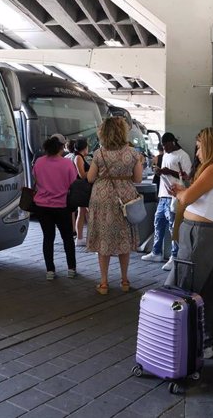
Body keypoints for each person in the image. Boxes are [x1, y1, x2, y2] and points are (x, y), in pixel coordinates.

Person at [167, 127, 213, 359]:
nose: (197, 153)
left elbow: (188, 199)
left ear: (209, 146)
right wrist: (183, 192)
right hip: (204, 235)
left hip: (199, 236)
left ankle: (181, 343)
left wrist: (180, 193)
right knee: (204, 292)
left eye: (199, 147)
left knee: (182, 288)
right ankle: (204, 341)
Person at [87, 117, 143, 295]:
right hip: (124, 198)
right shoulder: (133, 154)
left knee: (104, 237)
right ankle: (125, 280)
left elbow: (90, 178)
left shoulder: (99, 154)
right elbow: (138, 179)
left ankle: (103, 283)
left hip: (102, 198)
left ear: (103, 133)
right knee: (123, 238)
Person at [141, 132, 192, 271]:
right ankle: (156, 252)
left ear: (172, 143)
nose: (165, 148)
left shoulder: (183, 155)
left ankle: (174, 257)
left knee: (173, 228)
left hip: (175, 197)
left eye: (166, 145)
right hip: (164, 195)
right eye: (163, 146)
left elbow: (187, 177)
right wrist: (160, 172)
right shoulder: (166, 155)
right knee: (158, 223)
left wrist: (168, 171)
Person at [32, 133, 78, 280]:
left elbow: (36, 178)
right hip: (61, 206)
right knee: (67, 238)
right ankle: (71, 269)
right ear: (62, 147)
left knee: (48, 238)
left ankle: (50, 271)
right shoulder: (67, 164)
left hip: (42, 206)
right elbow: (73, 183)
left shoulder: (39, 162)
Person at [73, 138, 90, 247]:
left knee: (83, 212)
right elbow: (82, 175)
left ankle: (81, 238)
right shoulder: (78, 158)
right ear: (84, 147)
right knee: (82, 212)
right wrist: (93, 170)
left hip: (83, 188)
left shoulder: (80, 157)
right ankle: (80, 238)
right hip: (82, 188)